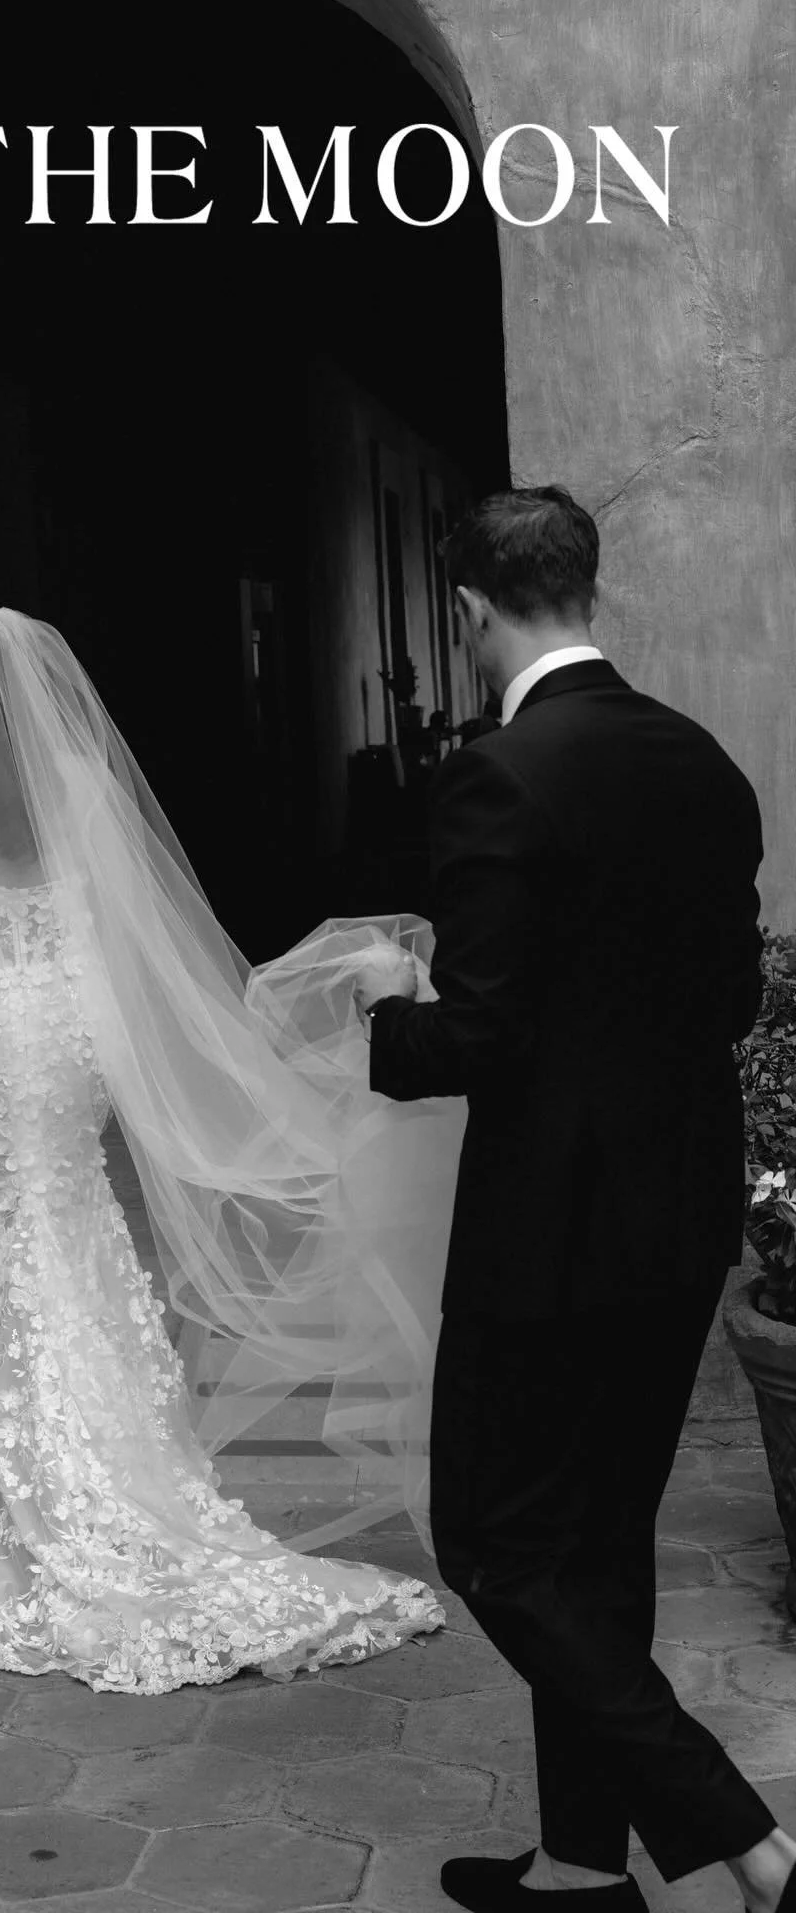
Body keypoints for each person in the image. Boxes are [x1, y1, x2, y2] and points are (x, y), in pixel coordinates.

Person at [0, 604, 463, 1695]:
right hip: (70, 1029)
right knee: (68, 1214)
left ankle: (39, 1464)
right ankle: (90, 1446)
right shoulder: (75, 780)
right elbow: (120, 927)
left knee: (2, 1231)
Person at [353, 486, 794, 1913]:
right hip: (679, 1222)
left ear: (470, 613)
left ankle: (756, 1846)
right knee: (599, 1546)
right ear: (585, 589)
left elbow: (470, 1042)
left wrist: (382, 1008)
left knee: (496, 1545)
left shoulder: (499, 775)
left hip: (549, 1241)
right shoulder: (703, 762)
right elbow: (729, 998)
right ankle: (578, 1866)